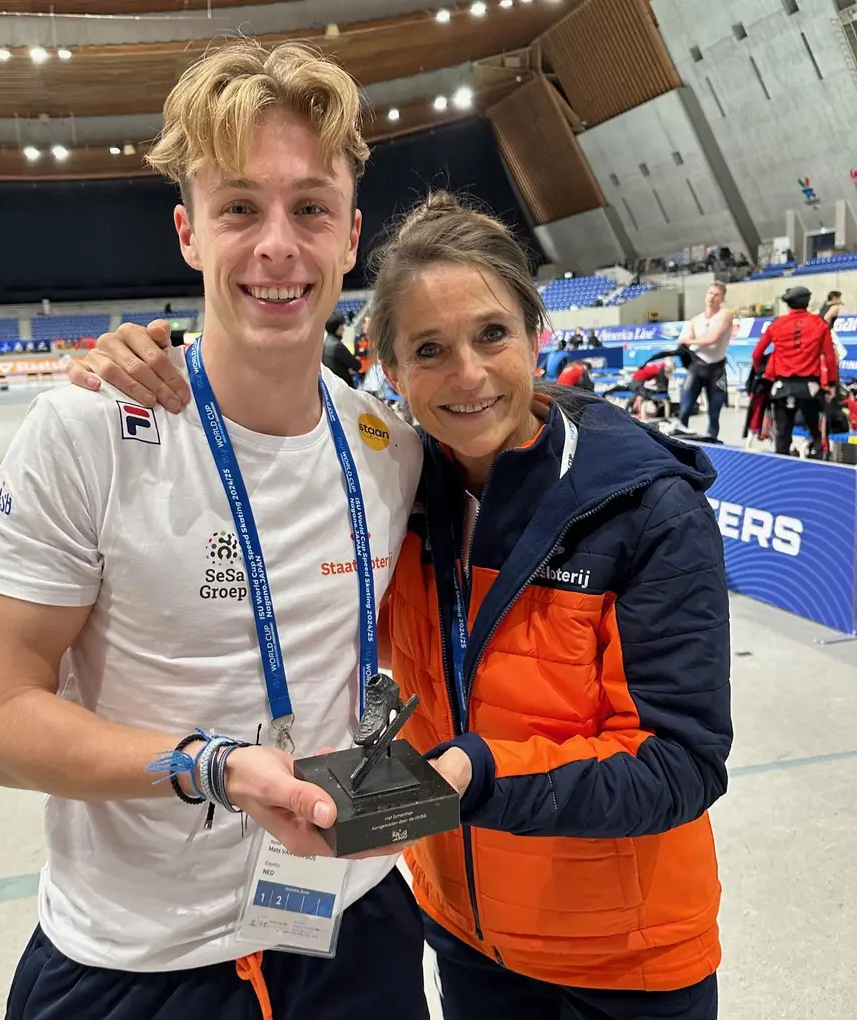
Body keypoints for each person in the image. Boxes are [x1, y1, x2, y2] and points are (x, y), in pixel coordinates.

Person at [71, 192, 733, 1020]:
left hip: (623, 963)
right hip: (462, 938)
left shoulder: (645, 509)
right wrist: (131, 365)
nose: (468, 374)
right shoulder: (399, 493)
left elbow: (684, 761)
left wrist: (473, 772)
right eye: (428, 349)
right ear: (389, 368)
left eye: (492, 333)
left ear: (537, 333)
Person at [0, 40, 428, 1020]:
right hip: (142, 959)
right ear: (188, 231)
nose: (276, 245)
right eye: (239, 208)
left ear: (350, 234)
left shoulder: (388, 446)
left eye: (309, 207)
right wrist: (206, 766)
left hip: (355, 925)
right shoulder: (89, 432)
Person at [752, 285, 838, 458]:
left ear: (788, 304)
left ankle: (781, 473)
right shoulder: (819, 324)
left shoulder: (777, 324)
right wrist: (831, 383)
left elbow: (757, 354)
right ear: (807, 302)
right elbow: (829, 358)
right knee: (816, 432)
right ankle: (820, 467)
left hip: (781, 388)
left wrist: (761, 371)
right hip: (810, 389)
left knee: (783, 436)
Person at [675, 282, 733, 439]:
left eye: (716, 295)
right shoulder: (695, 320)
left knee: (714, 413)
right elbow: (681, 343)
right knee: (685, 409)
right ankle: (679, 442)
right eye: (710, 293)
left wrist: (692, 341)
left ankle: (712, 441)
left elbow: (713, 339)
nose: (712, 297)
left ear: (722, 298)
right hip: (697, 367)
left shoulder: (725, 314)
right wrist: (689, 342)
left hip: (716, 370)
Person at [321, 310, 361, 387]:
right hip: (343, 387)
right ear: (337, 328)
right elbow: (357, 365)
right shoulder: (337, 346)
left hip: (331, 385)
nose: (344, 329)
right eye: (342, 326)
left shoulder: (325, 343)